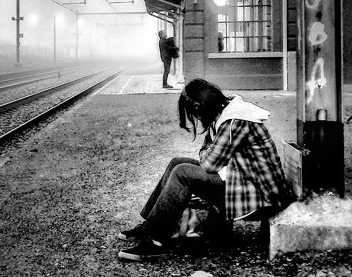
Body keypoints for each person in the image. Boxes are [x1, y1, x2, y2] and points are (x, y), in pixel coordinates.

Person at [116, 78, 295, 261]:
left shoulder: (234, 121)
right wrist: (208, 152)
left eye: (194, 113)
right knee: (177, 162)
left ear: (198, 106)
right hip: (243, 181)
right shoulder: (224, 111)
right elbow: (208, 153)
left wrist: (208, 152)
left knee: (182, 172)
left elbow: (209, 163)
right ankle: (150, 226)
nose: (197, 118)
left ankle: (156, 242)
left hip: (262, 197)